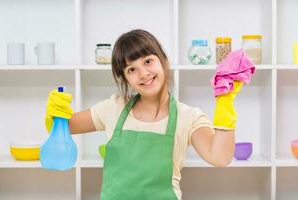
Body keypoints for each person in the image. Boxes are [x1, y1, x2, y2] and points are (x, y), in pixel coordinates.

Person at [45, 29, 243, 200]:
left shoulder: (188, 117)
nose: (143, 73)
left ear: (162, 60)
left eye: (148, 61)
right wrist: (55, 112)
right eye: (132, 69)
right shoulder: (113, 108)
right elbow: (64, 127)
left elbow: (219, 157)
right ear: (126, 78)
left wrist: (225, 102)